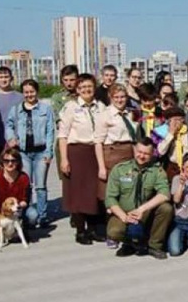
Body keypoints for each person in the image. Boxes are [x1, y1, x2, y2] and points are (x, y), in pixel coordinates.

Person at [58, 73, 106, 245]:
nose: (86, 90)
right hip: (77, 152)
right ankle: (80, 231)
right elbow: (62, 135)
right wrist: (64, 159)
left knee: (93, 193)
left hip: (95, 152)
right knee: (77, 193)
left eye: (89, 87)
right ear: (77, 90)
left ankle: (93, 230)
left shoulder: (100, 106)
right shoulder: (71, 107)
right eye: (83, 87)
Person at [105, 138, 173, 259]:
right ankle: (130, 244)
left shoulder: (157, 171)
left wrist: (141, 209)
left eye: (146, 154)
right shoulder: (120, 169)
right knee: (114, 232)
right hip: (124, 212)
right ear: (134, 150)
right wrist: (124, 217)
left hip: (145, 212)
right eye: (139, 152)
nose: (141, 156)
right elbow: (110, 198)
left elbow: (164, 194)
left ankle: (154, 246)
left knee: (166, 208)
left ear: (152, 154)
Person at [5, 79, 55, 227]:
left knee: (40, 186)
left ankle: (42, 216)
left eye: (32, 91)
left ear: (37, 92)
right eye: (26, 92)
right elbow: (9, 125)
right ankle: (28, 215)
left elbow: (50, 132)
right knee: (26, 185)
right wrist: (11, 138)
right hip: (23, 153)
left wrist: (49, 152)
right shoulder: (15, 110)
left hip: (40, 153)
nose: (29, 95)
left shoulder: (46, 109)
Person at [94, 84, 137, 216]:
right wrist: (101, 167)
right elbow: (98, 142)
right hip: (112, 153)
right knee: (112, 193)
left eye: (122, 97)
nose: (120, 100)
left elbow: (134, 137)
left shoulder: (131, 113)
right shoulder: (105, 115)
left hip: (129, 153)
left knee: (127, 190)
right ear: (111, 98)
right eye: (116, 97)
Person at [50, 65, 79, 181]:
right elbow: (59, 121)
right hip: (65, 141)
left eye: (72, 80)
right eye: (66, 80)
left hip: (83, 140)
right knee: (66, 177)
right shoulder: (57, 97)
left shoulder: (84, 94)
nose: (69, 83)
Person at [0, 66, 24, 154]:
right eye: (1, 77)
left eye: (6, 77)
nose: (3, 80)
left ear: (11, 78)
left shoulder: (21, 97)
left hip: (17, 142)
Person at [157, 107, 188, 181]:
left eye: (178, 119)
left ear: (183, 120)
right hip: (172, 168)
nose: (176, 123)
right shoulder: (165, 134)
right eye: (172, 120)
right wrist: (171, 134)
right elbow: (161, 151)